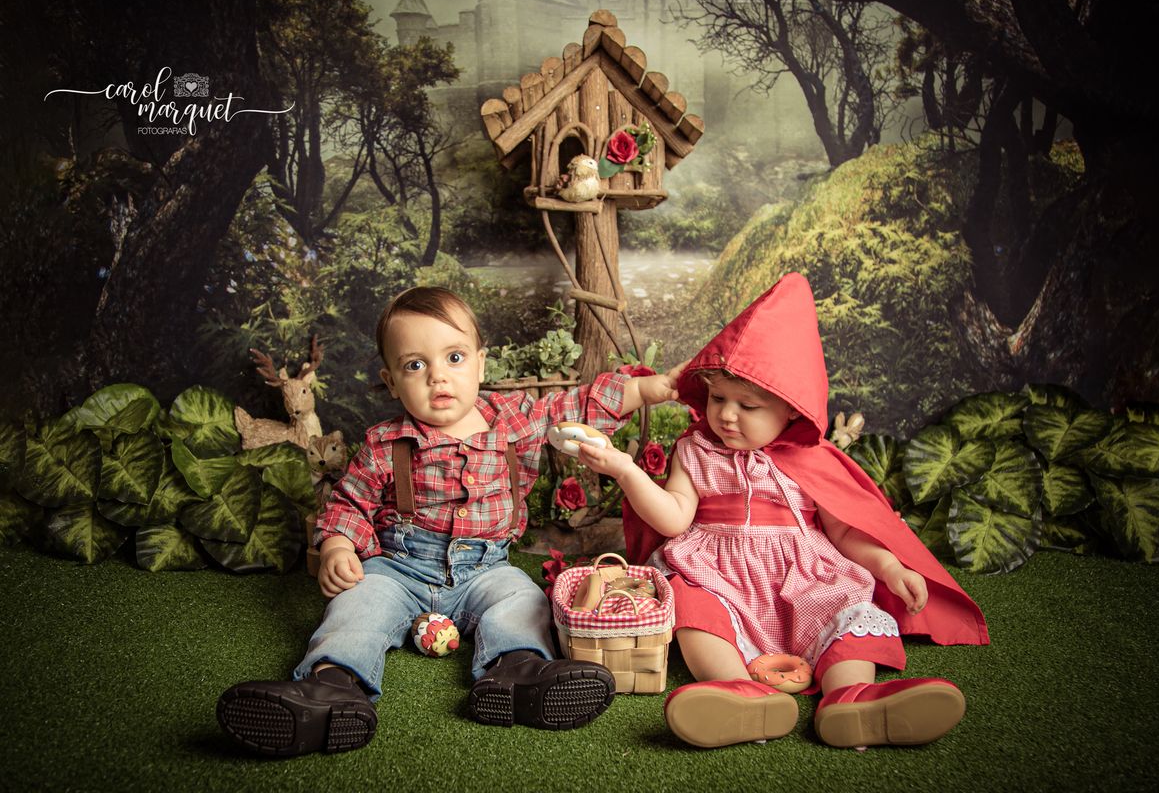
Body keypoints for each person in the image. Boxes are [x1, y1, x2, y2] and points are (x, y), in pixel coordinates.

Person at [216, 286, 682, 757]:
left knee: (522, 601)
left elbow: (576, 405)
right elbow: (348, 502)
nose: (438, 376)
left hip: (486, 569)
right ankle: (331, 687)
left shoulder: (513, 420)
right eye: (415, 365)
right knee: (357, 608)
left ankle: (518, 673)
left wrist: (646, 388)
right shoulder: (385, 442)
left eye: (454, 357)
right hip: (398, 568)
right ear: (392, 380)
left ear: (481, 363)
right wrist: (338, 546)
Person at [577, 273, 989, 749]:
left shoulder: (811, 461)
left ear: (791, 410)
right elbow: (673, 519)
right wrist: (627, 470)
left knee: (850, 607)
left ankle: (852, 697)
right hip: (717, 571)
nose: (727, 415)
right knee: (691, 607)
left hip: (804, 574)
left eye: (748, 405)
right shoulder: (695, 451)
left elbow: (845, 532)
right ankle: (740, 693)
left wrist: (889, 565)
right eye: (717, 399)